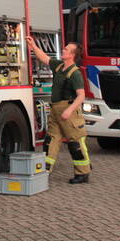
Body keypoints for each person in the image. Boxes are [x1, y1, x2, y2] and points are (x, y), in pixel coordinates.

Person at [26, 36, 91, 184]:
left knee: (75, 143)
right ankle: (45, 171)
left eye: (66, 49)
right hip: (56, 110)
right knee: (51, 141)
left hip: (69, 111)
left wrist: (69, 110)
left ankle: (83, 173)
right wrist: (33, 46)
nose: (63, 50)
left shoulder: (75, 73)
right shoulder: (59, 66)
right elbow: (45, 58)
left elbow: (81, 95)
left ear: (72, 55)